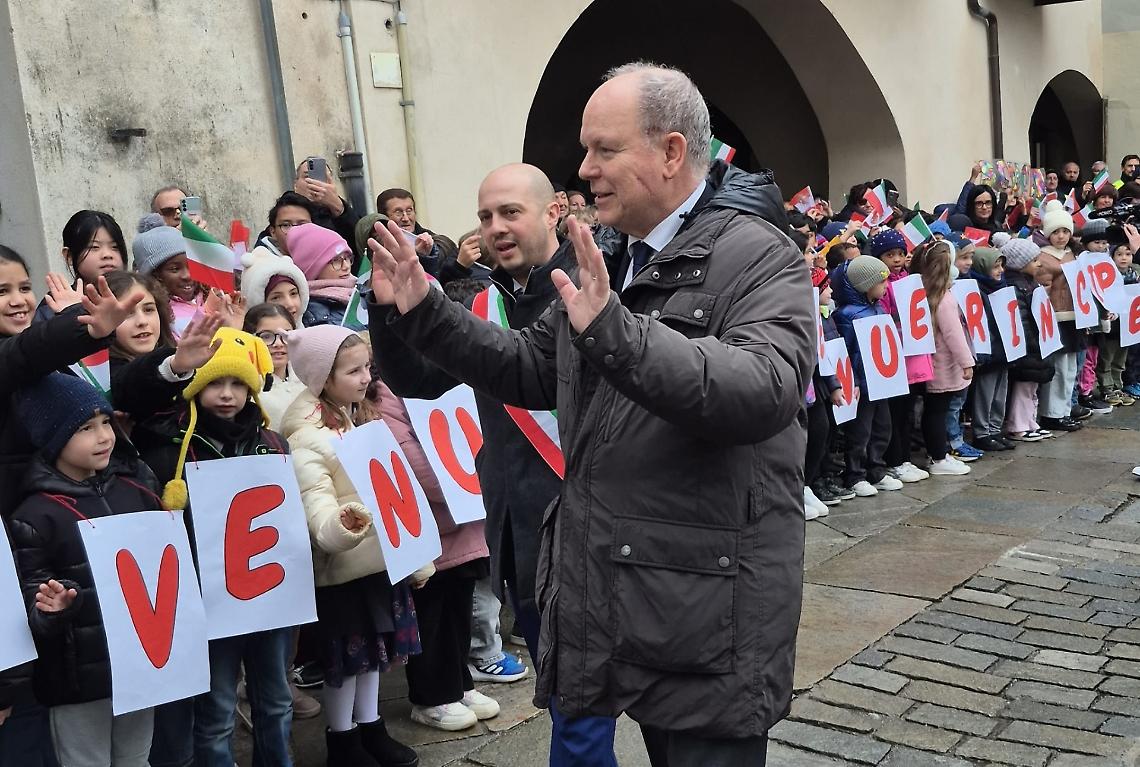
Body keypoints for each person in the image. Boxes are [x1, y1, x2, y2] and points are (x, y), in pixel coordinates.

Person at [368, 61, 813, 767]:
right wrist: (420, 308)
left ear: (671, 151)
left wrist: (614, 327)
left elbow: (763, 388)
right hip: (607, 581)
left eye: (604, 149)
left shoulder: (759, 256)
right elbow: (522, 366)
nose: (584, 167)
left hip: (706, 602)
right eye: (586, 149)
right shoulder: (605, 258)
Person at [370, 163, 609, 759]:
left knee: (580, 718)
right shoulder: (482, 301)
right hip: (519, 539)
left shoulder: (592, 288)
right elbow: (417, 379)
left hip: (590, 537)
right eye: (485, 216)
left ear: (554, 211)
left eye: (511, 212)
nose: (496, 227)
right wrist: (388, 310)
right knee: (566, 705)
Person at [113, 325, 298, 767]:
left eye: (238, 383)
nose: (228, 394)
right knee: (215, 712)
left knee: (276, 700)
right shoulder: (166, 451)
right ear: (196, 386)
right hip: (208, 604)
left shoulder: (274, 445)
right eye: (216, 382)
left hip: (270, 601)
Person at [280, 326, 423, 767]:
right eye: (353, 371)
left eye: (367, 368)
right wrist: (341, 526)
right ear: (322, 377)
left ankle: (370, 727)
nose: (365, 378)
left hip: (377, 559)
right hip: (342, 568)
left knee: (375, 656)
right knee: (348, 659)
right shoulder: (306, 436)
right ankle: (342, 739)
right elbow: (315, 503)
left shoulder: (359, 416)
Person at [9, 373, 166, 767]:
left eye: (106, 423)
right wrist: (53, 609)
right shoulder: (34, 516)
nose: (104, 437)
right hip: (77, 679)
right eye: (85, 427)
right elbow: (30, 603)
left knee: (136, 758)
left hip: (141, 665)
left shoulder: (139, 491)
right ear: (53, 437)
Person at [906, 242, 973, 474]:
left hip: (930, 363)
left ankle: (938, 453)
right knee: (937, 412)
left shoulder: (919, 291)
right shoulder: (944, 298)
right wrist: (967, 362)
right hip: (943, 365)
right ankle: (938, 457)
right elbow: (954, 334)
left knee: (933, 411)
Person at [871, 230, 931, 486]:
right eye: (889, 254)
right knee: (894, 412)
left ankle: (904, 458)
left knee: (905, 410)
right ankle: (895, 460)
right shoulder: (884, 286)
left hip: (911, 351)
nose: (896, 259)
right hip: (894, 353)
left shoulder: (907, 280)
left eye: (900, 253)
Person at [834, 256, 895, 497]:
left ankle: (876, 468)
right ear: (866, 284)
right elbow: (846, 352)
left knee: (882, 427)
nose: (886, 286)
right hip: (863, 383)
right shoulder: (847, 314)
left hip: (881, 381)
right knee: (860, 431)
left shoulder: (877, 307)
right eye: (882, 281)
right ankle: (855, 474)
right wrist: (854, 381)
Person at [1035, 200, 1084, 432]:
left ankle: (1064, 410)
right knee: (1057, 369)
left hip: (1074, 316)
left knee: (1070, 368)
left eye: (1065, 231)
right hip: (1054, 318)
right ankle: (1051, 413)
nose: (1061, 236)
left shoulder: (1072, 254)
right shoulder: (1043, 257)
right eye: (1056, 231)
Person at [1001, 239, 1055, 442]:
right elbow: (1021, 320)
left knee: (1032, 386)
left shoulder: (1029, 283)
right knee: (1023, 388)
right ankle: (1019, 424)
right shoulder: (1017, 286)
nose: (1039, 264)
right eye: (1034, 261)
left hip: (1037, 342)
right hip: (1028, 345)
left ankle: (1030, 421)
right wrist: (1033, 342)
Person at [33, 211, 128, 324]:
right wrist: (72, 312)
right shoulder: (54, 305)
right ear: (69, 256)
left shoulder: (136, 294)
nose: (107, 254)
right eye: (94, 247)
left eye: (115, 247)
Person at [804, 267, 844, 516]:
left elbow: (822, 353)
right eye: (825, 286)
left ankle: (805, 484)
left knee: (820, 430)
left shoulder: (819, 314)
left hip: (815, 385)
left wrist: (833, 385)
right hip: (800, 383)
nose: (830, 291)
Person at [966, 247, 1013, 452]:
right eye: (995, 266)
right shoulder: (977, 289)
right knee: (984, 393)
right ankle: (982, 432)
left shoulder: (1001, 286)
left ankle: (995, 428)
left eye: (1001, 266)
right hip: (989, 349)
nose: (1000, 270)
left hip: (1004, 348)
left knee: (999, 392)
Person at [132, 218, 203, 335]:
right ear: (155, 275)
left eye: (192, 266)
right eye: (174, 269)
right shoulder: (160, 314)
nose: (187, 275)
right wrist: (209, 310)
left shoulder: (207, 296)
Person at [242, 303, 307, 430]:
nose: (278, 343)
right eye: (266, 336)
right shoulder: (246, 385)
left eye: (285, 335)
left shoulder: (308, 376)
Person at [286, 223, 355, 327]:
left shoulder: (360, 290)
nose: (346, 266)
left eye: (347, 258)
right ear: (313, 269)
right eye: (335, 260)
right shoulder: (315, 311)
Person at [376, 187, 458, 272]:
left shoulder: (439, 242)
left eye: (409, 211)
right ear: (384, 217)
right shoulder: (375, 246)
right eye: (398, 212)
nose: (406, 218)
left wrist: (427, 253)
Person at [240, 244, 310, 326]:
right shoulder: (245, 338)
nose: (290, 304)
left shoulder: (311, 336)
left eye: (293, 293)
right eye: (276, 298)